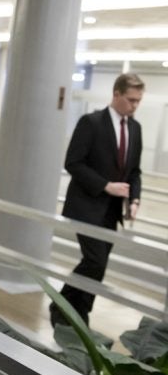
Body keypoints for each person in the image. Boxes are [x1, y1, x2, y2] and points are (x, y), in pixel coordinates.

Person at [50, 73, 144, 327]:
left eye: (138, 101)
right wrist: (106, 186)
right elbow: (73, 162)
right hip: (86, 206)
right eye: (131, 99)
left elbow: (134, 171)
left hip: (112, 211)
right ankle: (64, 308)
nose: (135, 105)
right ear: (116, 94)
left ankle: (77, 313)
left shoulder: (135, 128)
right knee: (95, 261)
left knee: (98, 267)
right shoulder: (91, 122)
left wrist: (134, 200)